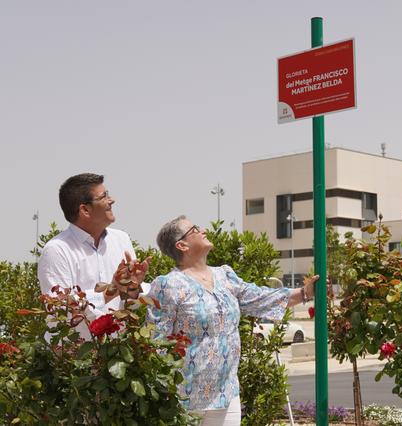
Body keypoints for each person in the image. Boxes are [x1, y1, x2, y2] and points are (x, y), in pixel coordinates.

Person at [146, 215, 318, 425]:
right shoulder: (167, 285)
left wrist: (304, 293)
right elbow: (156, 341)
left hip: (226, 393)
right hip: (185, 397)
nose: (203, 230)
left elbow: (259, 297)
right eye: (194, 229)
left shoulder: (224, 276)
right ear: (181, 245)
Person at [38, 173, 149, 337]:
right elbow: (60, 308)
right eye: (104, 196)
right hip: (75, 355)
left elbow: (128, 303)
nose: (112, 200)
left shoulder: (121, 239)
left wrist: (133, 287)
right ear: (85, 210)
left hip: (117, 350)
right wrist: (112, 290)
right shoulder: (57, 250)